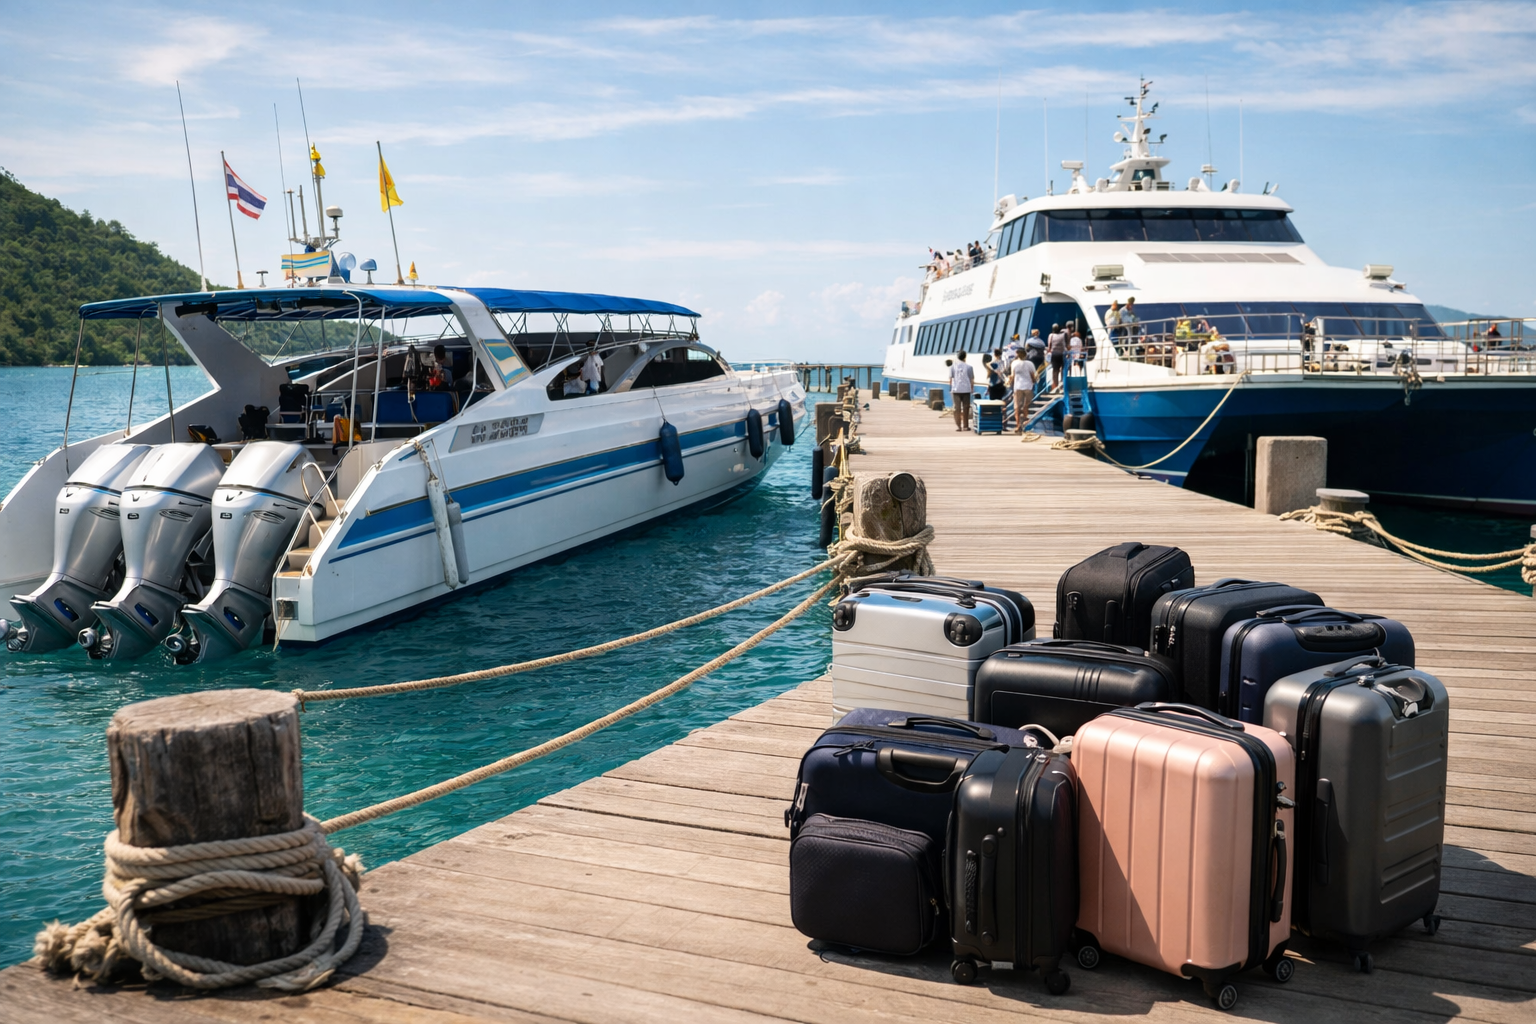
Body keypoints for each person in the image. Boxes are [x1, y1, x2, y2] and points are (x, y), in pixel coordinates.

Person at [1008, 346, 1036, 433]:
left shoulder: (1014, 363)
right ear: (1025, 355)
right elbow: (1033, 376)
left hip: (1018, 387)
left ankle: (1018, 426)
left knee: (1017, 407)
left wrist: (1009, 383)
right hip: (1028, 386)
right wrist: (1034, 382)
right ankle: (1025, 424)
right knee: (1026, 406)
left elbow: (1012, 376)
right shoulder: (1030, 364)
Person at [950, 351, 975, 431]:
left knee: (956, 408)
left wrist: (951, 388)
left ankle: (958, 426)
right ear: (965, 357)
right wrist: (971, 388)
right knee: (966, 408)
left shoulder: (953, 367)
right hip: (966, 390)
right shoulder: (969, 367)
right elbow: (971, 379)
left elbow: (951, 379)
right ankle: (965, 426)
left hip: (956, 389)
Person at [1047, 324, 1067, 390]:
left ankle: (1055, 386)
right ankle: (1062, 385)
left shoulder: (1051, 335)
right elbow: (1065, 344)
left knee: (1055, 371)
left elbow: (1049, 346)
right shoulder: (1063, 335)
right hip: (1062, 354)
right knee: (1063, 370)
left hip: (1055, 354)